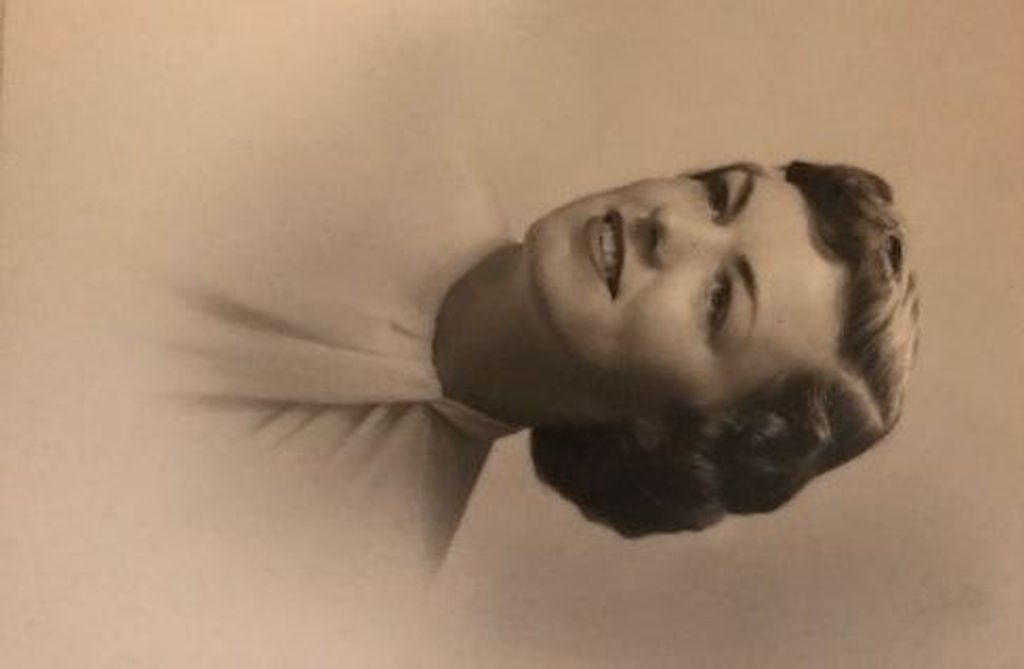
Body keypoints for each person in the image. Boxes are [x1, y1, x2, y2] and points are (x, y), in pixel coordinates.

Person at [433, 160, 919, 537]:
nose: (668, 224)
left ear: (672, 434)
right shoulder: (408, 125)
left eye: (719, 298)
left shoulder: (394, 545)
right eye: (716, 200)